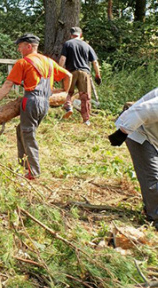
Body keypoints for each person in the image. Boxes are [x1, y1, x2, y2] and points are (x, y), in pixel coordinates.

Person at [0, 34, 72, 179]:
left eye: (20, 46)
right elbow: (68, 75)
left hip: (31, 102)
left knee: (28, 135)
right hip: (44, 103)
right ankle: (24, 164)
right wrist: (65, 93)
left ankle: (33, 172)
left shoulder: (23, 62)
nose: (19, 49)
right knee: (21, 129)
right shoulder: (49, 62)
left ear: (29, 46)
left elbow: (8, 84)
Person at [109, 87, 158, 229]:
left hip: (153, 133)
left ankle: (150, 205)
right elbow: (142, 110)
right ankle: (155, 217)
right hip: (138, 130)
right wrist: (122, 133)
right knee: (153, 177)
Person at [58, 26, 102, 126]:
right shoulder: (87, 46)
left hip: (71, 72)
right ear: (80, 35)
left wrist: (59, 72)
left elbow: (62, 59)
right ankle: (86, 120)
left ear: (71, 35)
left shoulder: (68, 44)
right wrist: (98, 75)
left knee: (67, 91)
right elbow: (95, 62)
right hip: (84, 73)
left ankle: (68, 106)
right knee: (85, 96)